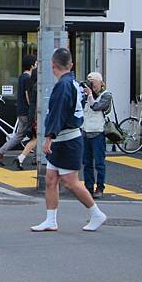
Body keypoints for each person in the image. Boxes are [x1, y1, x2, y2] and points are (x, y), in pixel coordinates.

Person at [31, 48, 106, 232]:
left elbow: (58, 114)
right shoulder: (72, 83)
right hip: (65, 139)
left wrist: (48, 137)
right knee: (51, 178)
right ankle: (51, 219)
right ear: (71, 64)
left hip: (66, 140)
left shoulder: (63, 85)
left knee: (70, 181)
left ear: (52, 65)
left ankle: (96, 214)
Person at [0, 55, 37, 169]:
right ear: (32, 65)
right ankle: (28, 158)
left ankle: (1, 151)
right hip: (27, 112)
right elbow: (28, 95)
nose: (37, 65)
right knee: (35, 136)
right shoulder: (28, 78)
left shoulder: (22, 76)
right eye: (36, 63)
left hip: (21, 110)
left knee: (22, 135)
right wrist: (33, 108)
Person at [82, 72, 111, 199]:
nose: (91, 85)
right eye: (89, 82)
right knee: (87, 163)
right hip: (85, 131)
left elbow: (96, 106)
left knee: (99, 163)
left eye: (93, 82)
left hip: (98, 133)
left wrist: (90, 95)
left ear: (100, 82)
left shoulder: (106, 95)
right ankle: (88, 187)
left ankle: (100, 188)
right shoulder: (85, 95)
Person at [14, 67, 39, 168]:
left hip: (32, 114)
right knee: (37, 138)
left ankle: (22, 158)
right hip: (36, 115)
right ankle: (22, 157)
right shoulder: (39, 87)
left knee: (35, 138)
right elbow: (38, 104)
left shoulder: (31, 86)